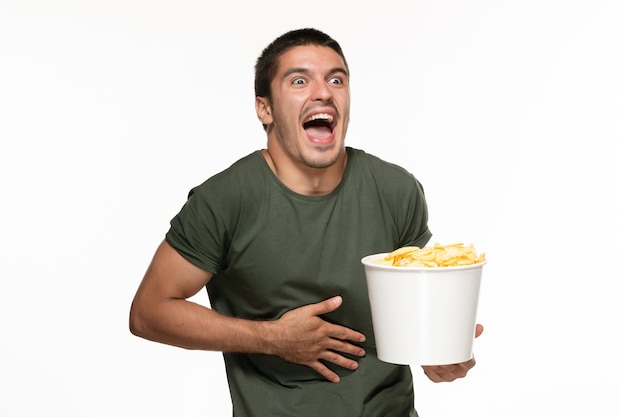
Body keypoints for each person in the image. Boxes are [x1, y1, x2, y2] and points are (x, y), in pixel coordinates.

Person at [129, 27, 483, 417]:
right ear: (264, 108)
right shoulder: (227, 200)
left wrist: (437, 354)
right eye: (299, 80)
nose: (323, 92)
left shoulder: (396, 191)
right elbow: (149, 312)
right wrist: (272, 338)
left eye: (336, 79)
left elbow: (412, 317)